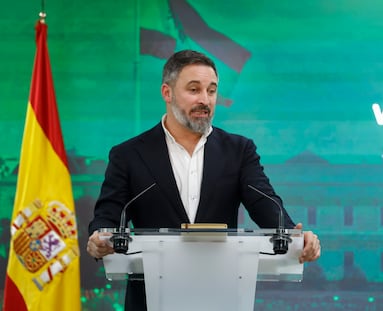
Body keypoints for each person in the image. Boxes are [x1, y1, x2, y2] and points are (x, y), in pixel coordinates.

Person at [87, 49, 321, 310]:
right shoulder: (129, 155)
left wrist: (294, 236)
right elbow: (107, 217)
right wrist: (99, 239)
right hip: (150, 298)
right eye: (194, 89)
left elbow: (266, 205)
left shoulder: (239, 150)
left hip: (221, 296)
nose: (205, 100)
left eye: (211, 91)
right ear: (167, 92)